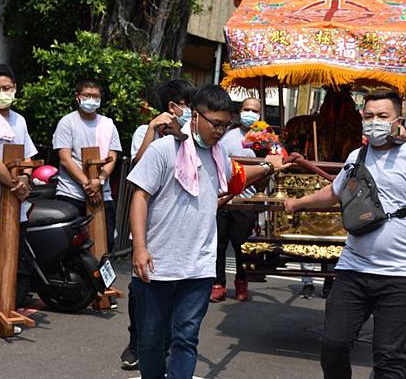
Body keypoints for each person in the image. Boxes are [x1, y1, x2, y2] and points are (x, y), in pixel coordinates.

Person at [128, 85, 290, 379]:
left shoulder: (217, 155)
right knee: (150, 341)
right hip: (158, 264)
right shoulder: (164, 149)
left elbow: (237, 175)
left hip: (199, 267)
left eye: (224, 125)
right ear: (195, 117)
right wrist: (140, 247)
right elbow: (139, 196)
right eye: (214, 123)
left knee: (185, 339)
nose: (219, 131)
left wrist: (268, 165)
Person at [284, 88, 406, 379]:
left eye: (382, 116)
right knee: (333, 344)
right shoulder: (357, 156)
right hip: (353, 269)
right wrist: (297, 203)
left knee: (389, 357)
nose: (375, 122)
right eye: (369, 116)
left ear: (398, 119)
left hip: (400, 275)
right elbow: (333, 192)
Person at [120, 79, 195, 369]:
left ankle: (162, 345)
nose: (190, 111)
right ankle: (136, 340)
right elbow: (138, 168)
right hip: (148, 223)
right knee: (140, 288)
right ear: (172, 107)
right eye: (187, 105)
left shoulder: (192, 134)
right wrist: (153, 129)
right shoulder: (144, 131)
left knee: (175, 289)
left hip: (178, 224)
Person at [0, 64, 36, 305]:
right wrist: (16, 184)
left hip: (13, 207)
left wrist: (24, 179)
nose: (2, 93)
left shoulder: (19, 120)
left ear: (15, 88)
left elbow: (29, 159)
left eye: (6, 88)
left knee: (9, 260)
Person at [52, 79, 122, 253]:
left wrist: (100, 180)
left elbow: (112, 156)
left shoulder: (108, 125)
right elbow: (65, 158)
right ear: (78, 97)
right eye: (87, 95)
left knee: (106, 244)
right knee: (71, 249)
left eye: (95, 96)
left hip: (102, 194)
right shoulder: (67, 122)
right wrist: (88, 184)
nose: (91, 99)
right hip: (71, 194)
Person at [211, 97, 261, 302]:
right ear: (240, 111)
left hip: (246, 202)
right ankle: (218, 284)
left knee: (243, 247)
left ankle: (242, 281)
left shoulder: (264, 140)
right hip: (224, 200)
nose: (250, 113)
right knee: (218, 246)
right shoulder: (227, 138)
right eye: (247, 109)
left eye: (255, 111)